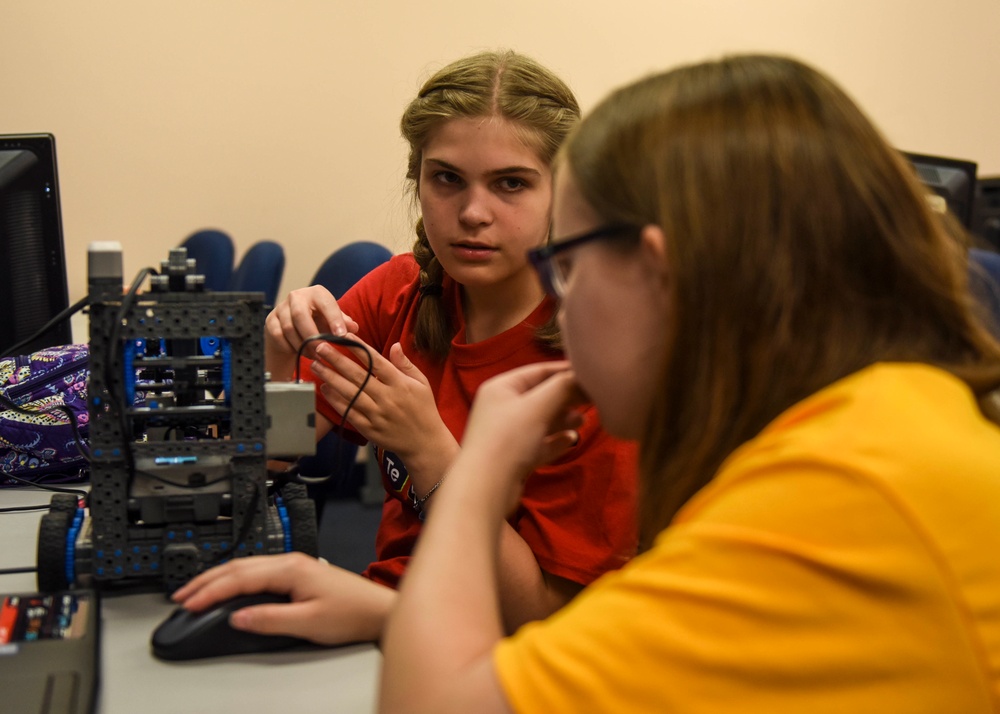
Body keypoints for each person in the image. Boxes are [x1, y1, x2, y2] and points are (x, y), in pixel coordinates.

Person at [378, 54, 1000, 712]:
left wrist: (475, 474)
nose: (561, 298)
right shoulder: (890, 420)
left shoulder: (829, 500)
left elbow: (431, 704)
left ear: (657, 271)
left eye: (566, 263)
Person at [173, 49, 637, 644]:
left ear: (564, 193)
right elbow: (232, 471)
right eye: (447, 178)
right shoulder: (401, 291)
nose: (472, 213)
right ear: (417, 179)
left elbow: (544, 620)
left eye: (511, 184)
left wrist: (430, 453)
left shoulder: (600, 366)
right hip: (377, 619)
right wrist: (275, 363)